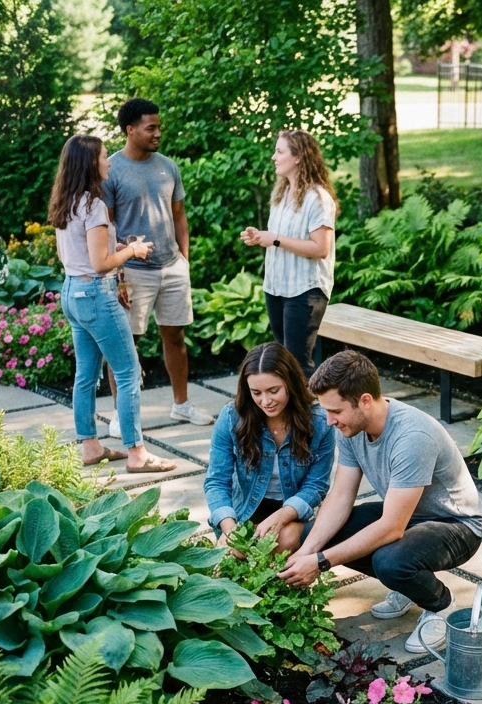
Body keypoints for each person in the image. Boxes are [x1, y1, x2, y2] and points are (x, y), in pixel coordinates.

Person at [279, 351, 482, 654]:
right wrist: (307, 552)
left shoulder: (413, 436)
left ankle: (440, 605)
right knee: (315, 534)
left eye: (335, 411)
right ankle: (410, 587)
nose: (329, 420)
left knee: (390, 561)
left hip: (456, 524)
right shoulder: (350, 428)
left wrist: (320, 562)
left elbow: (391, 528)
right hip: (408, 515)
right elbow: (340, 496)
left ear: (365, 400)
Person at [48, 134, 178, 474]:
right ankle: (137, 453)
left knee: (85, 375)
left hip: (72, 292)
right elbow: (100, 263)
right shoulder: (93, 205)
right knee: (128, 372)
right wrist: (132, 250)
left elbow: (75, 252)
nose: (108, 162)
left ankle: (90, 447)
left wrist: (115, 245)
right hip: (96, 294)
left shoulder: (67, 201)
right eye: (104, 157)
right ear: (90, 164)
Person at [103, 97, 214, 438]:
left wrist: (185, 260)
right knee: (125, 344)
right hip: (132, 271)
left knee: (176, 337)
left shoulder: (168, 167)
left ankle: (181, 404)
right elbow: (106, 227)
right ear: (130, 130)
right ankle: (121, 414)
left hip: (172, 267)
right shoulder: (111, 170)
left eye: (158, 127)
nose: (157, 133)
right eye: (150, 128)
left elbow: (179, 215)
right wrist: (117, 275)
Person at [205, 342, 334, 555]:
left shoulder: (320, 422)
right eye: (256, 392)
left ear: (290, 383)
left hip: (292, 511)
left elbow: (316, 485)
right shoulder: (231, 417)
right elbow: (217, 481)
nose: (266, 401)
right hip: (245, 511)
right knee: (241, 550)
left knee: (285, 541)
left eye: (274, 391)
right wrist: (229, 529)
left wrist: (282, 517)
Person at [240, 130, 337, 376]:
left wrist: (274, 239)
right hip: (276, 287)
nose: (273, 157)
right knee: (285, 363)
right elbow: (280, 239)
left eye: (279, 151)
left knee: (299, 366)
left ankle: (310, 402)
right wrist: (259, 237)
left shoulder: (318, 198)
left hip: (305, 291)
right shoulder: (281, 194)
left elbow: (320, 248)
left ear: (298, 157)